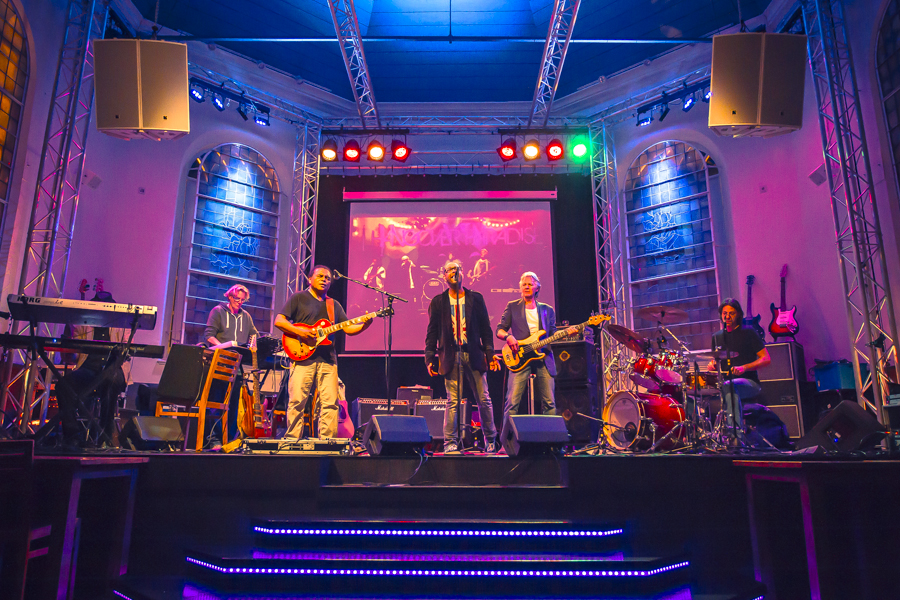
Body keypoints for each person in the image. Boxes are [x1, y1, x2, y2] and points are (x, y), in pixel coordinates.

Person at [275, 265, 373, 439]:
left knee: (330, 403)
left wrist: (365, 324)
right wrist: (301, 332)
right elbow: (279, 321)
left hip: (328, 359)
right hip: (302, 357)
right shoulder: (298, 298)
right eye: (320, 276)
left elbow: (348, 328)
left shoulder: (333, 305)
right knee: (297, 401)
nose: (324, 280)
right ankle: (292, 439)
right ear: (309, 279)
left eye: (327, 278)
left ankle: (327, 441)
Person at [424, 259, 500, 453]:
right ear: (444, 276)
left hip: (473, 353)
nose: (454, 272)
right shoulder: (438, 302)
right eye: (449, 270)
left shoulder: (476, 298)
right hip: (450, 356)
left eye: (457, 269)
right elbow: (432, 332)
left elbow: (486, 329)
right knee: (453, 401)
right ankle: (450, 442)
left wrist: (490, 354)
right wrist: (429, 357)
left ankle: (491, 440)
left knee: (484, 398)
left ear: (462, 273)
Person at [496, 272, 577, 433]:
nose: (527, 286)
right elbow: (500, 330)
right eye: (524, 284)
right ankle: (507, 441)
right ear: (520, 287)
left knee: (549, 403)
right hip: (519, 357)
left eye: (530, 284)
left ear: (537, 288)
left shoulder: (547, 310)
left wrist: (567, 333)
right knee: (512, 402)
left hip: (543, 357)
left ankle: (550, 440)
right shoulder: (513, 306)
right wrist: (509, 337)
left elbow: (553, 334)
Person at [56, 290, 129, 447]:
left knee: (111, 380)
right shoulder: (84, 322)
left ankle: (105, 436)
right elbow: (73, 357)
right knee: (63, 385)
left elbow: (127, 348)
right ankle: (72, 436)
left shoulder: (121, 322)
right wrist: (69, 337)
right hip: (88, 369)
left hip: (113, 367)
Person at [202, 284, 259, 449]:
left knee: (233, 405)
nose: (239, 302)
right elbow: (209, 336)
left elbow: (254, 335)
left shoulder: (246, 316)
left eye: (242, 300)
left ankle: (230, 440)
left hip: (237, 365)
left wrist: (254, 343)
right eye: (236, 298)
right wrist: (224, 348)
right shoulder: (218, 311)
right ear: (229, 296)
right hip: (219, 363)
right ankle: (213, 440)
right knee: (216, 402)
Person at [706, 298, 771, 437]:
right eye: (724, 313)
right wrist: (712, 365)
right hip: (725, 383)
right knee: (698, 391)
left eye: (731, 313)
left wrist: (744, 368)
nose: (727, 317)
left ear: (739, 315)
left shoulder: (748, 332)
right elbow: (716, 360)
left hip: (750, 383)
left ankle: (736, 436)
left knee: (729, 386)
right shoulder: (717, 337)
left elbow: (766, 358)